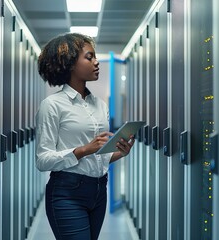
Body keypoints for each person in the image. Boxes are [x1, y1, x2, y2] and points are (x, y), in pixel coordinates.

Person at [35, 32, 135, 240]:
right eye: (89, 57)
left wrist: (119, 153)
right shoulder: (52, 106)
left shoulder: (100, 105)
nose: (96, 62)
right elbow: (43, 160)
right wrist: (84, 149)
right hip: (67, 193)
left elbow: (99, 156)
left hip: (99, 191)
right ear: (69, 63)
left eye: (95, 57)